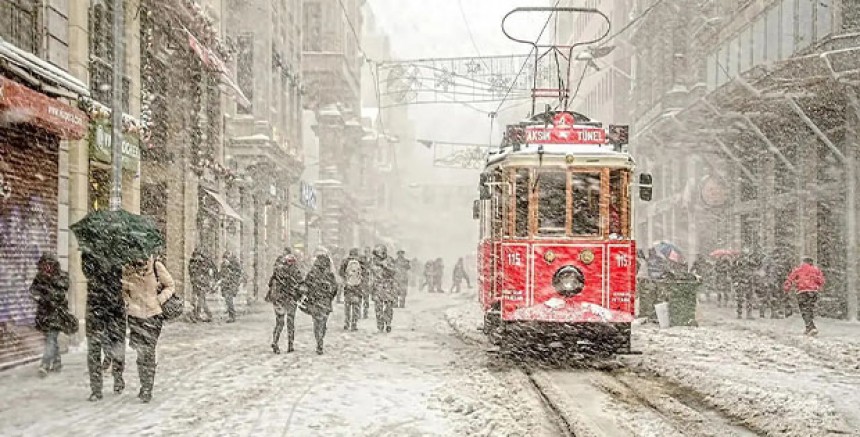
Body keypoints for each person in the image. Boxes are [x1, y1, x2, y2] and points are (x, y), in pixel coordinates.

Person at [121, 256, 175, 403]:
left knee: (148, 351)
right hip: (136, 316)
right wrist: (128, 302)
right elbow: (123, 291)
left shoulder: (157, 267)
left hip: (153, 316)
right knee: (140, 352)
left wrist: (159, 299)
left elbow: (170, 285)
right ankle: (144, 382)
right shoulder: (128, 269)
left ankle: (147, 388)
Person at [81, 250, 126, 401]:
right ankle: (96, 388)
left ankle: (118, 377)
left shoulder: (119, 252)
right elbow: (87, 272)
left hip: (113, 309)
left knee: (117, 345)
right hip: (96, 309)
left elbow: (123, 276)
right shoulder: (89, 253)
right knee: (94, 349)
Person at [29, 254, 69, 376]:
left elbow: (61, 293)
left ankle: (44, 365)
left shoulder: (62, 276)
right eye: (43, 265)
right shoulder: (40, 277)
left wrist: (48, 288)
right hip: (44, 314)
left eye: (48, 264)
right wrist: (39, 291)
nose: (46, 267)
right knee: (50, 339)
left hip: (57, 314)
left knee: (51, 338)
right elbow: (32, 290)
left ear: (53, 265)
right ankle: (57, 362)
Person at [266, 249, 303, 354]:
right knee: (290, 323)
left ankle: (275, 341)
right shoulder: (296, 271)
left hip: (279, 299)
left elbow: (270, 284)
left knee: (279, 323)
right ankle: (290, 345)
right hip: (291, 299)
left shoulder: (278, 271)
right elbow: (300, 285)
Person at [302, 254, 338, 354]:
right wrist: (330, 297)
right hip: (325, 301)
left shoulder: (312, 273)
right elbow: (335, 288)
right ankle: (320, 338)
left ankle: (318, 340)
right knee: (323, 322)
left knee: (316, 323)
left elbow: (306, 286)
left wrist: (309, 295)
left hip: (315, 301)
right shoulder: (329, 274)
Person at [784, 257, 825, 336]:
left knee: (804, 310)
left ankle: (811, 327)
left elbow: (790, 279)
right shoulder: (816, 270)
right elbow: (821, 281)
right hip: (813, 292)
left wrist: (787, 288)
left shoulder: (798, 269)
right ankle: (809, 327)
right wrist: (816, 287)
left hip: (802, 291)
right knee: (809, 309)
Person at [371, 245, 398, 333]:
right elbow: (371, 273)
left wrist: (384, 267)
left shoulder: (390, 260)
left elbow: (394, 271)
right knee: (378, 307)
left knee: (389, 306)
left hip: (388, 286)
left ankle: (388, 322)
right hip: (378, 286)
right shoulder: (373, 261)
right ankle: (380, 325)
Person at [188, 248, 216, 322]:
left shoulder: (205, 262)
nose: (198, 257)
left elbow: (211, 272)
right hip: (195, 284)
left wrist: (209, 280)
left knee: (201, 300)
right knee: (196, 300)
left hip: (203, 284)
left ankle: (199, 315)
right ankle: (203, 315)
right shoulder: (192, 262)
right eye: (196, 256)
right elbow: (191, 273)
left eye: (199, 256)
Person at [339, 248, 365, 331]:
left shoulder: (345, 261)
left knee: (347, 305)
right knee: (356, 305)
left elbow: (341, 272)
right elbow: (365, 273)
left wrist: (346, 279)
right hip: (358, 286)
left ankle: (347, 323)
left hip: (348, 286)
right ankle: (354, 323)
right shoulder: (361, 261)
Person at [219, 251, 244, 323]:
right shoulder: (223, 265)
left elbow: (238, 272)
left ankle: (232, 316)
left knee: (228, 299)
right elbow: (221, 273)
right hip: (225, 284)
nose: (224, 261)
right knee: (227, 300)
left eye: (226, 259)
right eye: (223, 259)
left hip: (231, 284)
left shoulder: (234, 264)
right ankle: (231, 313)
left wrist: (230, 266)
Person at [360, 247, 373, 318]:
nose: (367, 253)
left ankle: (365, 312)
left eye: (368, 251)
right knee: (360, 297)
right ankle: (358, 312)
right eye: (366, 251)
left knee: (366, 298)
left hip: (367, 281)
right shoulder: (361, 259)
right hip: (361, 280)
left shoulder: (372, 260)